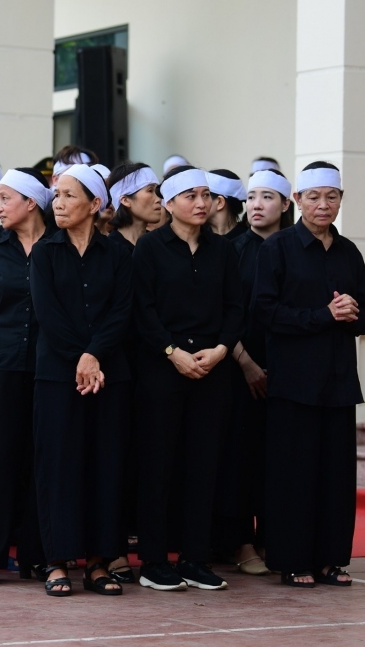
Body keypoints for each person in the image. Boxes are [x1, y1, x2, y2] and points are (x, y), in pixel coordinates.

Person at [252, 161, 365, 588]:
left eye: (332, 196)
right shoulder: (278, 249)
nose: (323, 205)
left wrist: (353, 313)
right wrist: (323, 315)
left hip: (339, 381)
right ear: (296, 201)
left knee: (336, 476)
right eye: (314, 197)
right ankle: (292, 560)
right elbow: (265, 312)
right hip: (294, 381)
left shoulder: (349, 252)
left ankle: (330, 559)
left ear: (341, 200)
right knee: (295, 474)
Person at [132, 165, 242, 593]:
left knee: (204, 465)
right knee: (158, 464)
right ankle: (155, 560)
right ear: (170, 202)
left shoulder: (224, 251)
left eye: (206, 195)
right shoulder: (150, 249)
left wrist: (220, 348)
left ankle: (196, 557)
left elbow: (236, 307)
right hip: (162, 370)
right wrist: (171, 352)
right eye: (190, 196)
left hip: (212, 369)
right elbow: (142, 309)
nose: (201, 203)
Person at [30, 164, 132, 597]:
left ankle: (97, 560)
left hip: (109, 374)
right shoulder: (44, 252)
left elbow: (123, 312)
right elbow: (49, 315)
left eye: (70, 196)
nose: (59, 203)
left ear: (95, 204)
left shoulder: (120, 254)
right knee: (59, 467)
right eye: (56, 196)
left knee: (106, 468)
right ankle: (56, 561)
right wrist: (81, 357)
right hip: (58, 375)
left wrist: (95, 355)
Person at [0, 168, 50, 585]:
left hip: (49, 369)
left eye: (5, 199)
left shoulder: (58, 247)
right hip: (1, 366)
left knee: (41, 459)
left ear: (31, 202)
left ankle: (37, 553)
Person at [217, 168, 294, 577]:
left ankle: (275, 538)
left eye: (267, 197)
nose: (257, 205)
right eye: (251, 198)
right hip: (238, 366)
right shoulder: (231, 248)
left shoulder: (294, 246)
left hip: (285, 368)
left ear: (285, 203)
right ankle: (241, 543)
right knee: (240, 459)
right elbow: (224, 312)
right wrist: (245, 362)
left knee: (278, 459)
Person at [102, 163, 162, 579]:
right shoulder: (108, 249)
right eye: (151, 192)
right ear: (124, 200)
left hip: (156, 368)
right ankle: (112, 546)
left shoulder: (159, 247)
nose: (158, 199)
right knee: (115, 458)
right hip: (115, 368)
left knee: (148, 457)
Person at [206, 170, 248, 240]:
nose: (198, 203)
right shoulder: (197, 238)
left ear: (220, 202)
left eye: (205, 195)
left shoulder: (247, 243)